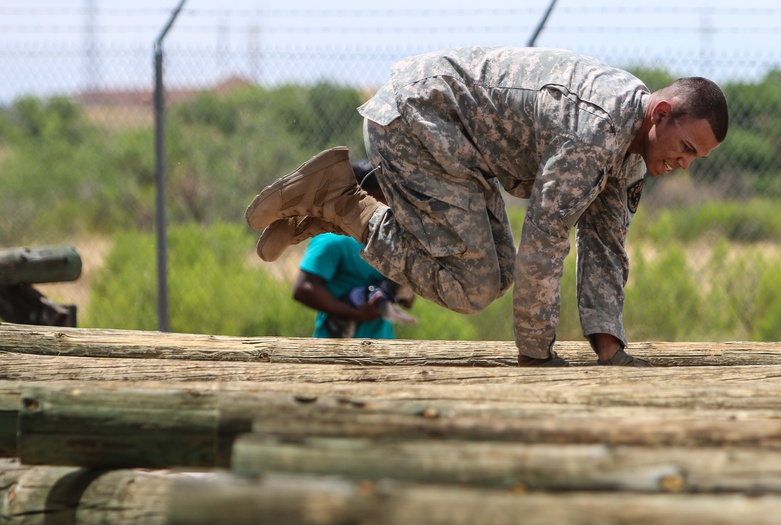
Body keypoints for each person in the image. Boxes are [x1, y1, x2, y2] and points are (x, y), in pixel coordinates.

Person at [246, 46, 727, 366]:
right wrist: (538, 355)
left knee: (496, 278)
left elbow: (604, 246)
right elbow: (545, 242)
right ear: (660, 114)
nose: (684, 164)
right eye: (685, 147)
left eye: (696, 158)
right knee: (473, 287)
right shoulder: (596, 133)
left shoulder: (632, 153)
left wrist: (610, 349)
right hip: (420, 120)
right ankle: (345, 202)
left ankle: (338, 199)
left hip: (460, 145)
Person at [292, 160, 415, 338]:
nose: (389, 207)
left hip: (382, 347)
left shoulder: (388, 240)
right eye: (382, 198)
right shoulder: (332, 240)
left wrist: (403, 295)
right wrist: (354, 313)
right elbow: (304, 288)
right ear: (361, 198)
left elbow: (398, 290)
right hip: (335, 349)